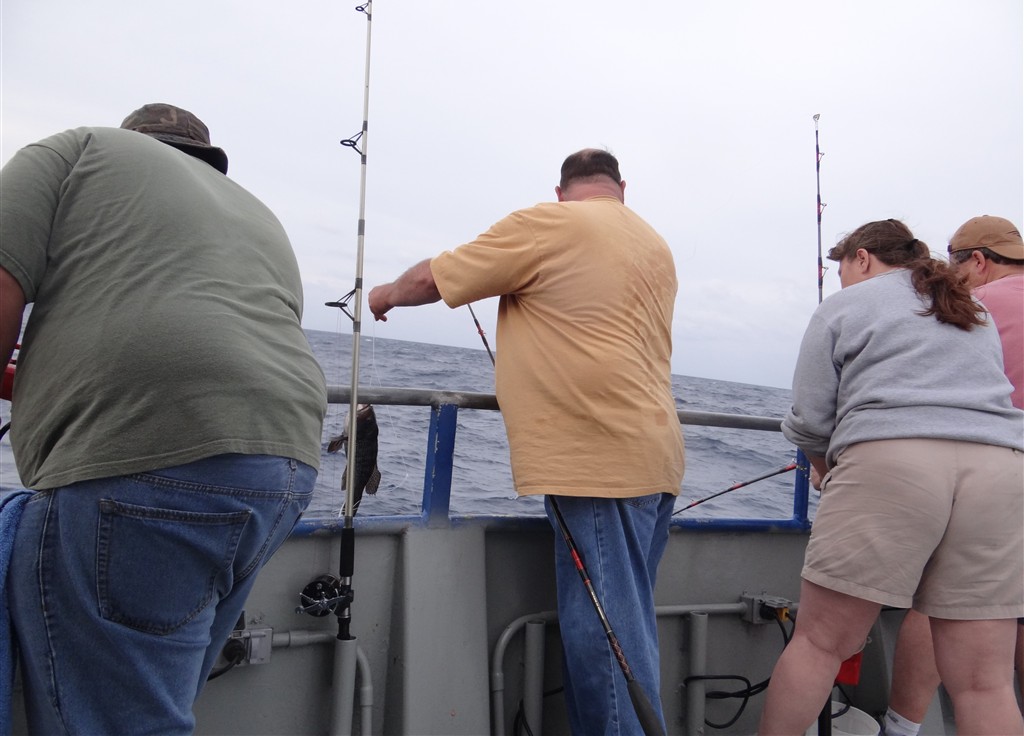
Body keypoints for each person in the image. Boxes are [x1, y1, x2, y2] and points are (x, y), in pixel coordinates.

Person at [0, 104, 328, 734]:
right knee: (155, 706)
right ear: (207, 160)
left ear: (136, 142)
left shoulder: (76, 152)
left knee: (116, 721)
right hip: (284, 462)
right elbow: (211, 344)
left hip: (151, 456)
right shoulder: (258, 214)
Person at [367, 148, 685, 735]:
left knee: (608, 643)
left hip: (596, 459)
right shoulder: (653, 243)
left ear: (561, 192)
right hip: (658, 456)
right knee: (628, 627)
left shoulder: (551, 222)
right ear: (621, 188)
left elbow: (433, 278)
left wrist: (383, 295)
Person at [757, 218, 1024, 736]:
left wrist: (826, 473)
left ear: (862, 258)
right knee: (984, 684)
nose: (842, 283)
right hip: (1000, 471)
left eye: (842, 271)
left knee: (819, 645)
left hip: (894, 463)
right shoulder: (971, 308)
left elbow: (809, 421)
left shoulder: (845, 305)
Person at [884, 215, 1024, 736]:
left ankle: (901, 727)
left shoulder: (977, 307)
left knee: (943, 600)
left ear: (978, 261)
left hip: (991, 471)